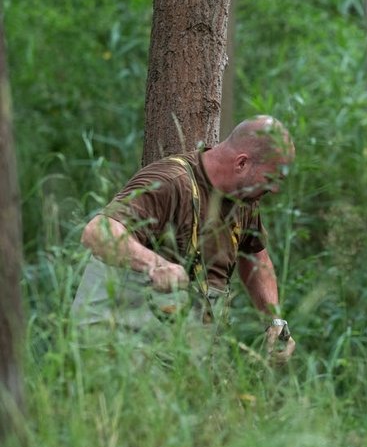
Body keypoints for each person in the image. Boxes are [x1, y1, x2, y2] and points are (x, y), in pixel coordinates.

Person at [71, 115, 297, 364]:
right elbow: (98, 231)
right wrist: (155, 265)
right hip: (118, 345)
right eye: (271, 179)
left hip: (180, 351)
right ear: (242, 163)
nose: (274, 190)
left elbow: (256, 256)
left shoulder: (245, 198)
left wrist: (274, 321)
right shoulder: (171, 181)